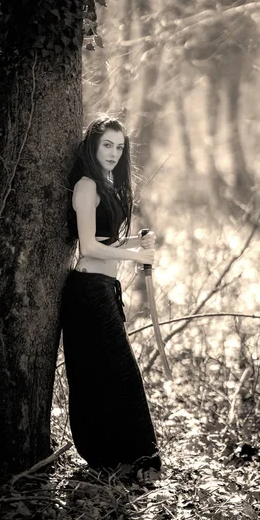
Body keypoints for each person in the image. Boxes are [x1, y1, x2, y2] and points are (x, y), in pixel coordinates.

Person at [61, 115, 161, 475]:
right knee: (116, 375)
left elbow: (106, 242)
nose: (114, 153)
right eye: (107, 144)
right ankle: (130, 460)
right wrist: (135, 256)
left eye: (119, 147)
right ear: (93, 144)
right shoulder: (86, 185)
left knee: (110, 374)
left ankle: (121, 460)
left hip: (103, 290)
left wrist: (137, 242)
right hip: (87, 293)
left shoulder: (105, 185)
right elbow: (87, 247)